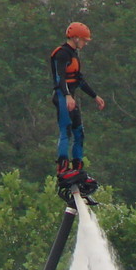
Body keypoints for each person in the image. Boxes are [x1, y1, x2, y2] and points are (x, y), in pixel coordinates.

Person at [50, 21, 105, 175]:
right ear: (75, 38)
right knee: (66, 130)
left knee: (79, 132)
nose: (85, 44)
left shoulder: (74, 54)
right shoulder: (62, 53)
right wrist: (67, 96)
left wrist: (95, 96)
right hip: (62, 96)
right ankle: (62, 166)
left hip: (70, 97)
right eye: (84, 40)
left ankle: (78, 167)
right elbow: (60, 78)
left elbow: (79, 79)